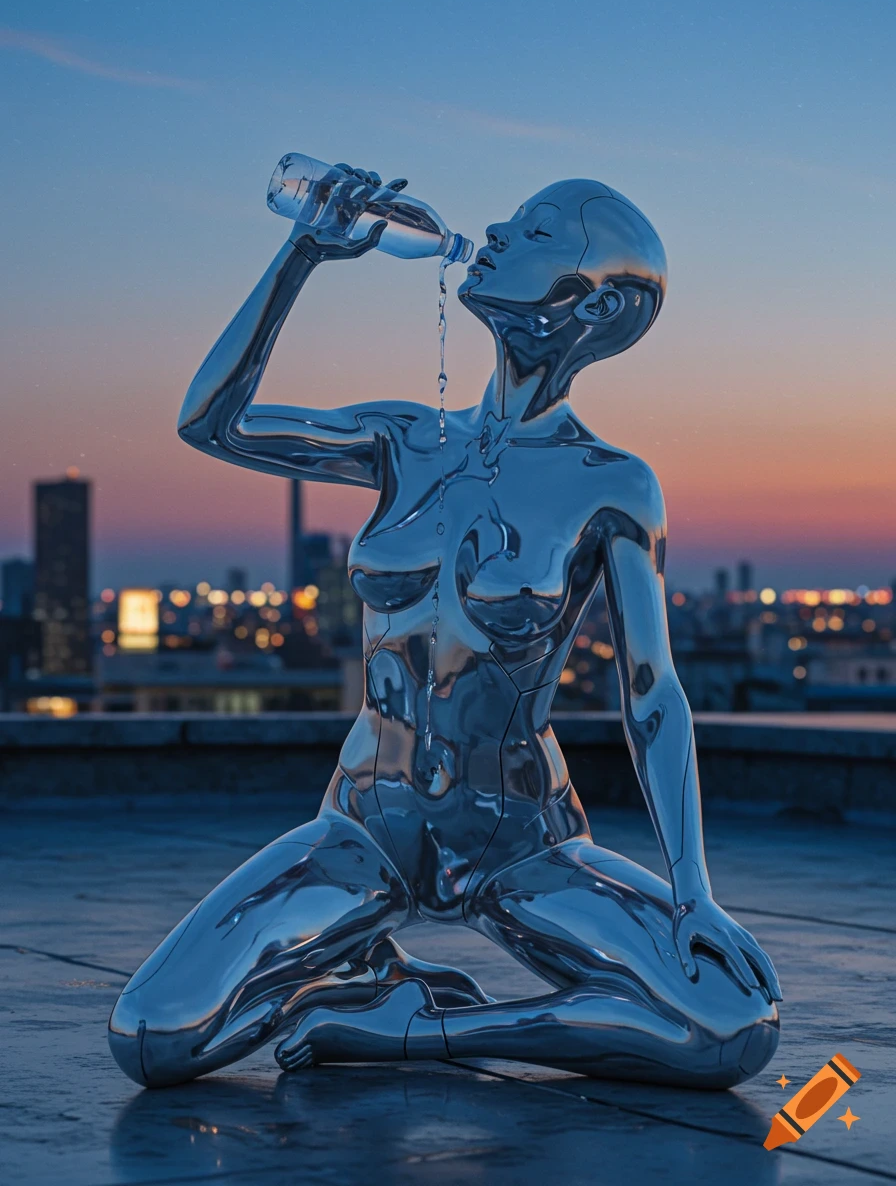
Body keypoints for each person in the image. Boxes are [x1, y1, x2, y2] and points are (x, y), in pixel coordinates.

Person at [108, 167, 781, 1090]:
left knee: (735, 1022)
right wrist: (303, 251)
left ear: (599, 304)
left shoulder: (612, 484)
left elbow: (652, 693)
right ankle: (383, 981)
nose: (498, 229)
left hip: (523, 844)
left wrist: (691, 890)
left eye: (538, 233)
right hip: (365, 826)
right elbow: (210, 422)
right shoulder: (404, 440)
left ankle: (411, 1027)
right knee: (150, 1035)